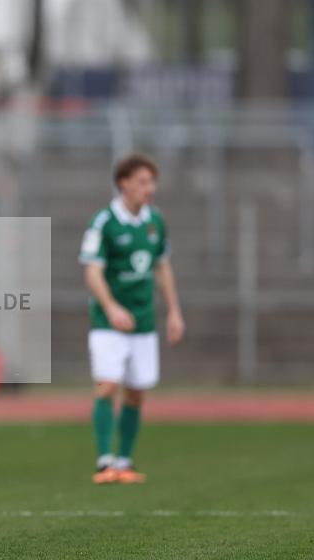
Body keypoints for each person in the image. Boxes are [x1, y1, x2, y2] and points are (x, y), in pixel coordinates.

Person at [78, 154, 185, 484]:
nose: (149, 188)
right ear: (123, 183)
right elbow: (92, 271)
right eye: (142, 182)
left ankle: (123, 462)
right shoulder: (104, 222)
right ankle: (103, 462)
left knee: (136, 392)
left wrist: (174, 311)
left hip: (144, 321)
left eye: (152, 182)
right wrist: (111, 307)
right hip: (108, 323)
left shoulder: (155, 221)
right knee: (108, 385)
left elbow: (162, 266)